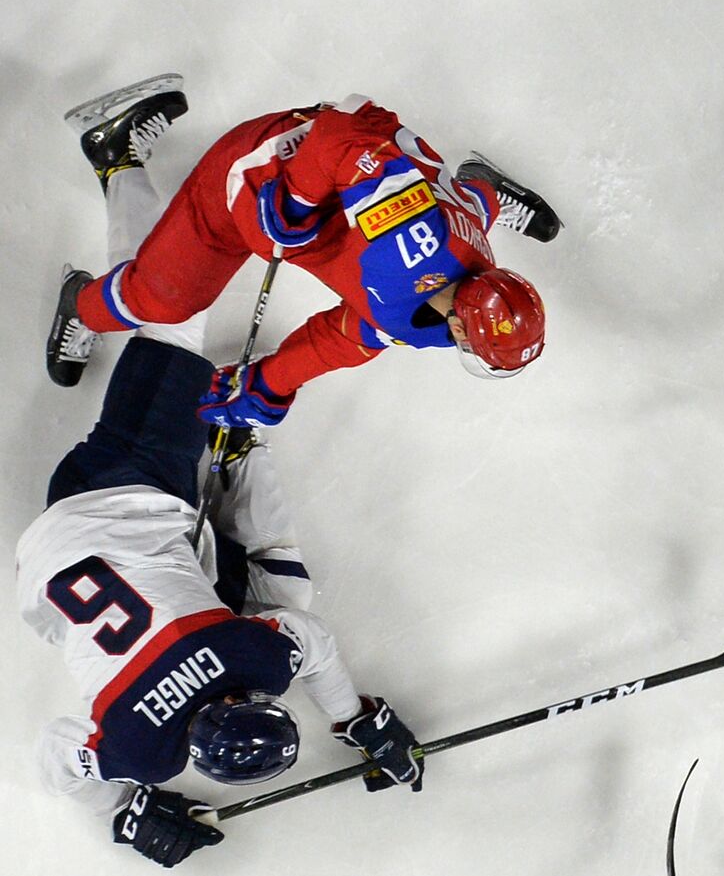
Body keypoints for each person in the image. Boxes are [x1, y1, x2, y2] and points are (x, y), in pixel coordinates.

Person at [20, 80, 426, 868]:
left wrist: (357, 720)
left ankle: (113, 171)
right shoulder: (141, 747)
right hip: (46, 584)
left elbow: (306, 645)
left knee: (177, 305)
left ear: (244, 705)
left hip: (118, 491)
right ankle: (119, 325)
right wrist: (125, 811)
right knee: (282, 591)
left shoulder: (255, 659)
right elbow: (56, 757)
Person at [46, 74, 558, 427]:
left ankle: (483, 185)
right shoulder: (412, 238)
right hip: (263, 172)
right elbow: (344, 124)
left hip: (362, 199)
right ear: (465, 326)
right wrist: (297, 198)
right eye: (473, 347)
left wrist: (269, 384)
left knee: (470, 203)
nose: (462, 349)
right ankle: (83, 297)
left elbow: (346, 337)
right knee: (161, 300)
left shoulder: (457, 274)